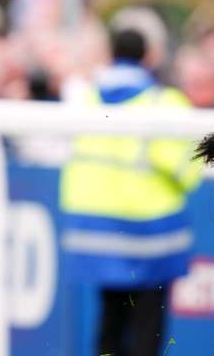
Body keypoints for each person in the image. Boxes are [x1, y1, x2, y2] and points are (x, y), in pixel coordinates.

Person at [59, 26, 203, 356]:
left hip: (97, 233)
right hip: (148, 237)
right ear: (149, 56)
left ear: (111, 54)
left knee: (109, 323)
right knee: (146, 330)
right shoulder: (163, 102)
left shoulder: (87, 98)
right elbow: (186, 170)